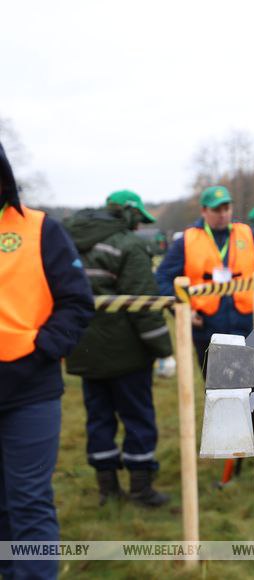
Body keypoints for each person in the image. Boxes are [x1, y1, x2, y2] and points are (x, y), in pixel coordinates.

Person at [0, 141, 94, 579]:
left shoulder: (40, 229)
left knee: (28, 500)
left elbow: (77, 302)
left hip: (29, 391)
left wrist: (41, 350)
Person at [64, 190, 175, 507]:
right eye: (138, 220)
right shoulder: (128, 245)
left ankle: (107, 488)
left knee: (98, 418)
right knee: (137, 417)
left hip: (83, 349)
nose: (139, 227)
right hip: (126, 355)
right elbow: (143, 304)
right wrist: (163, 351)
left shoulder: (70, 242)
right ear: (127, 214)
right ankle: (141, 488)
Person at [155, 186, 254, 367]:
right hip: (206, 328)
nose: (223, 214)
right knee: (213, 386)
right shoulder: (187, 240)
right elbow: (162, 278)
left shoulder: (249, 235)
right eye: (216, 209)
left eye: (226, 208)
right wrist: (183, 310)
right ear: (204, 210)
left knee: (247, 384)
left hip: (245, 325)